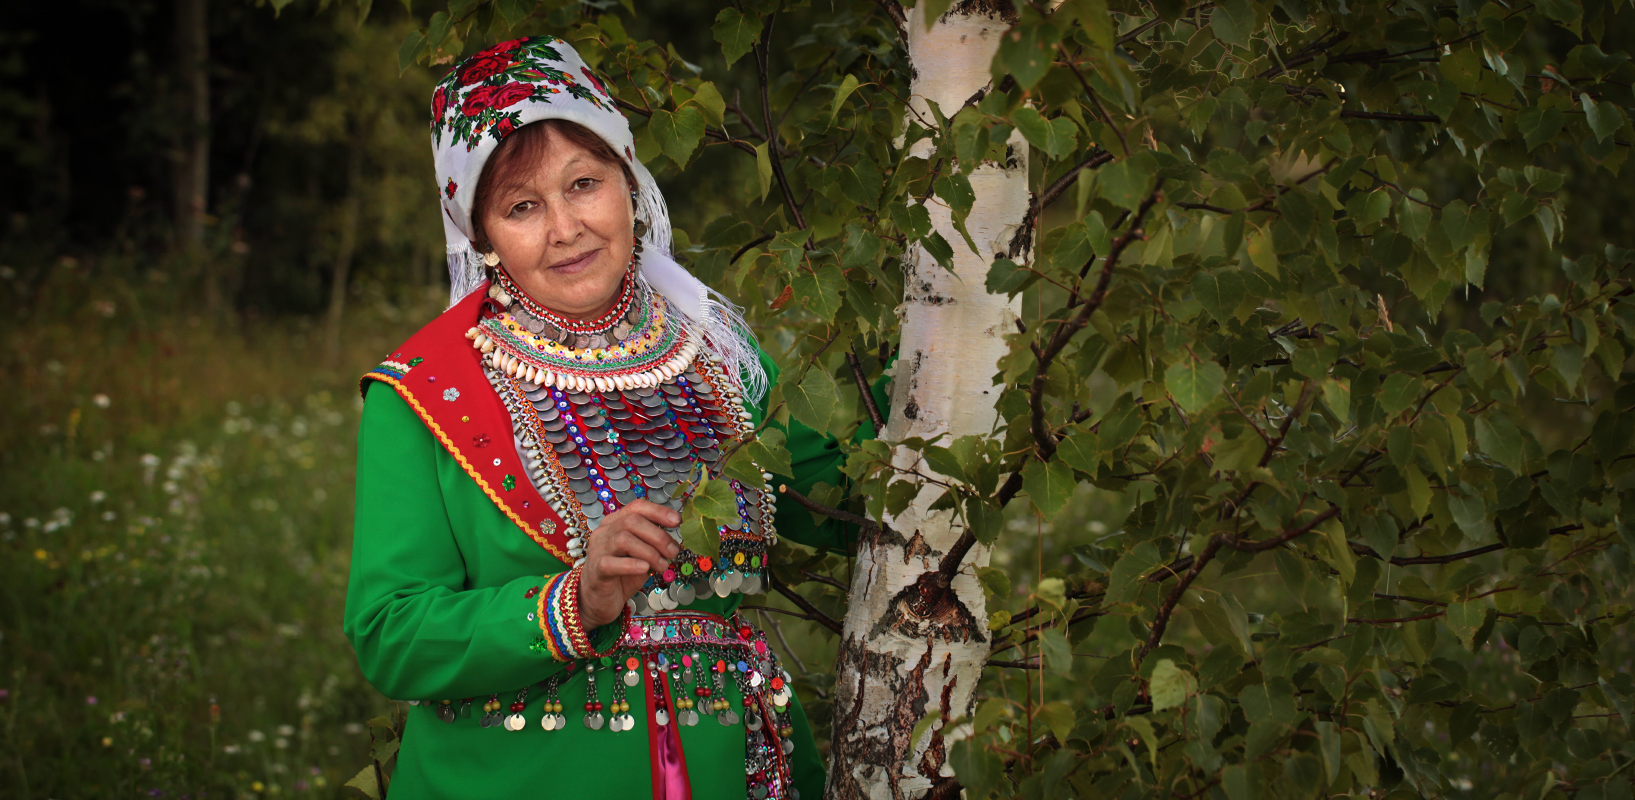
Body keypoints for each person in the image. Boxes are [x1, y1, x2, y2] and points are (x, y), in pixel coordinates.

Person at [343, 35, 874, 800]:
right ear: (481, 236)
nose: (565, 228)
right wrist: (576, 599)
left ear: (629, 183)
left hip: (736, 769)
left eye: (584, 184)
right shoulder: (426, 391)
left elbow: (836, 500)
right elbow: (391, 633)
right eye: (522, 206)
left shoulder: (715, 349)